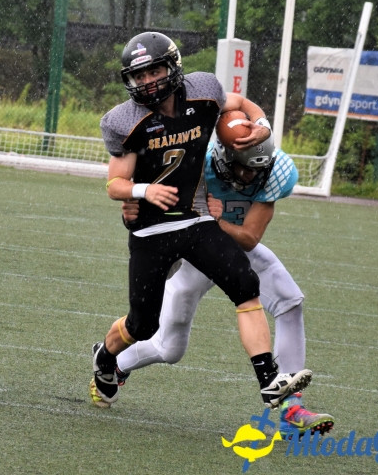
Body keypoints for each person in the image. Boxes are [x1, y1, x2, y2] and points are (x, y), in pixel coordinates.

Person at [90, 31, 314, 411]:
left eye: (154, 71)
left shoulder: (204, 91)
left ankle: (269, 379)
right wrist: (142, 192)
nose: (147, 82)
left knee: (245, 284)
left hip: (195, 222)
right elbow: (115, 184)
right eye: (139, 76)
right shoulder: (124, 121)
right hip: (150, 230)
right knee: (143, 326)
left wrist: (261, 123)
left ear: (173, 67)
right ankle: (105, 358)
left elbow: (240, 102)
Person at [114, 134, 335, 436]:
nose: (250, 176)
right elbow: (143, 194)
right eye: (243, 168)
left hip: (234, 250)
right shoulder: (194, 165)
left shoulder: (275, 171)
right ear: (222, 160)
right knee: (169, 348)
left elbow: (250, 237)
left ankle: (291, 408)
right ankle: (116, 363)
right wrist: (131, 206)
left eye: (257, 169)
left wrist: (216, 221)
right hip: (194, 253)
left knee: (289, 301)